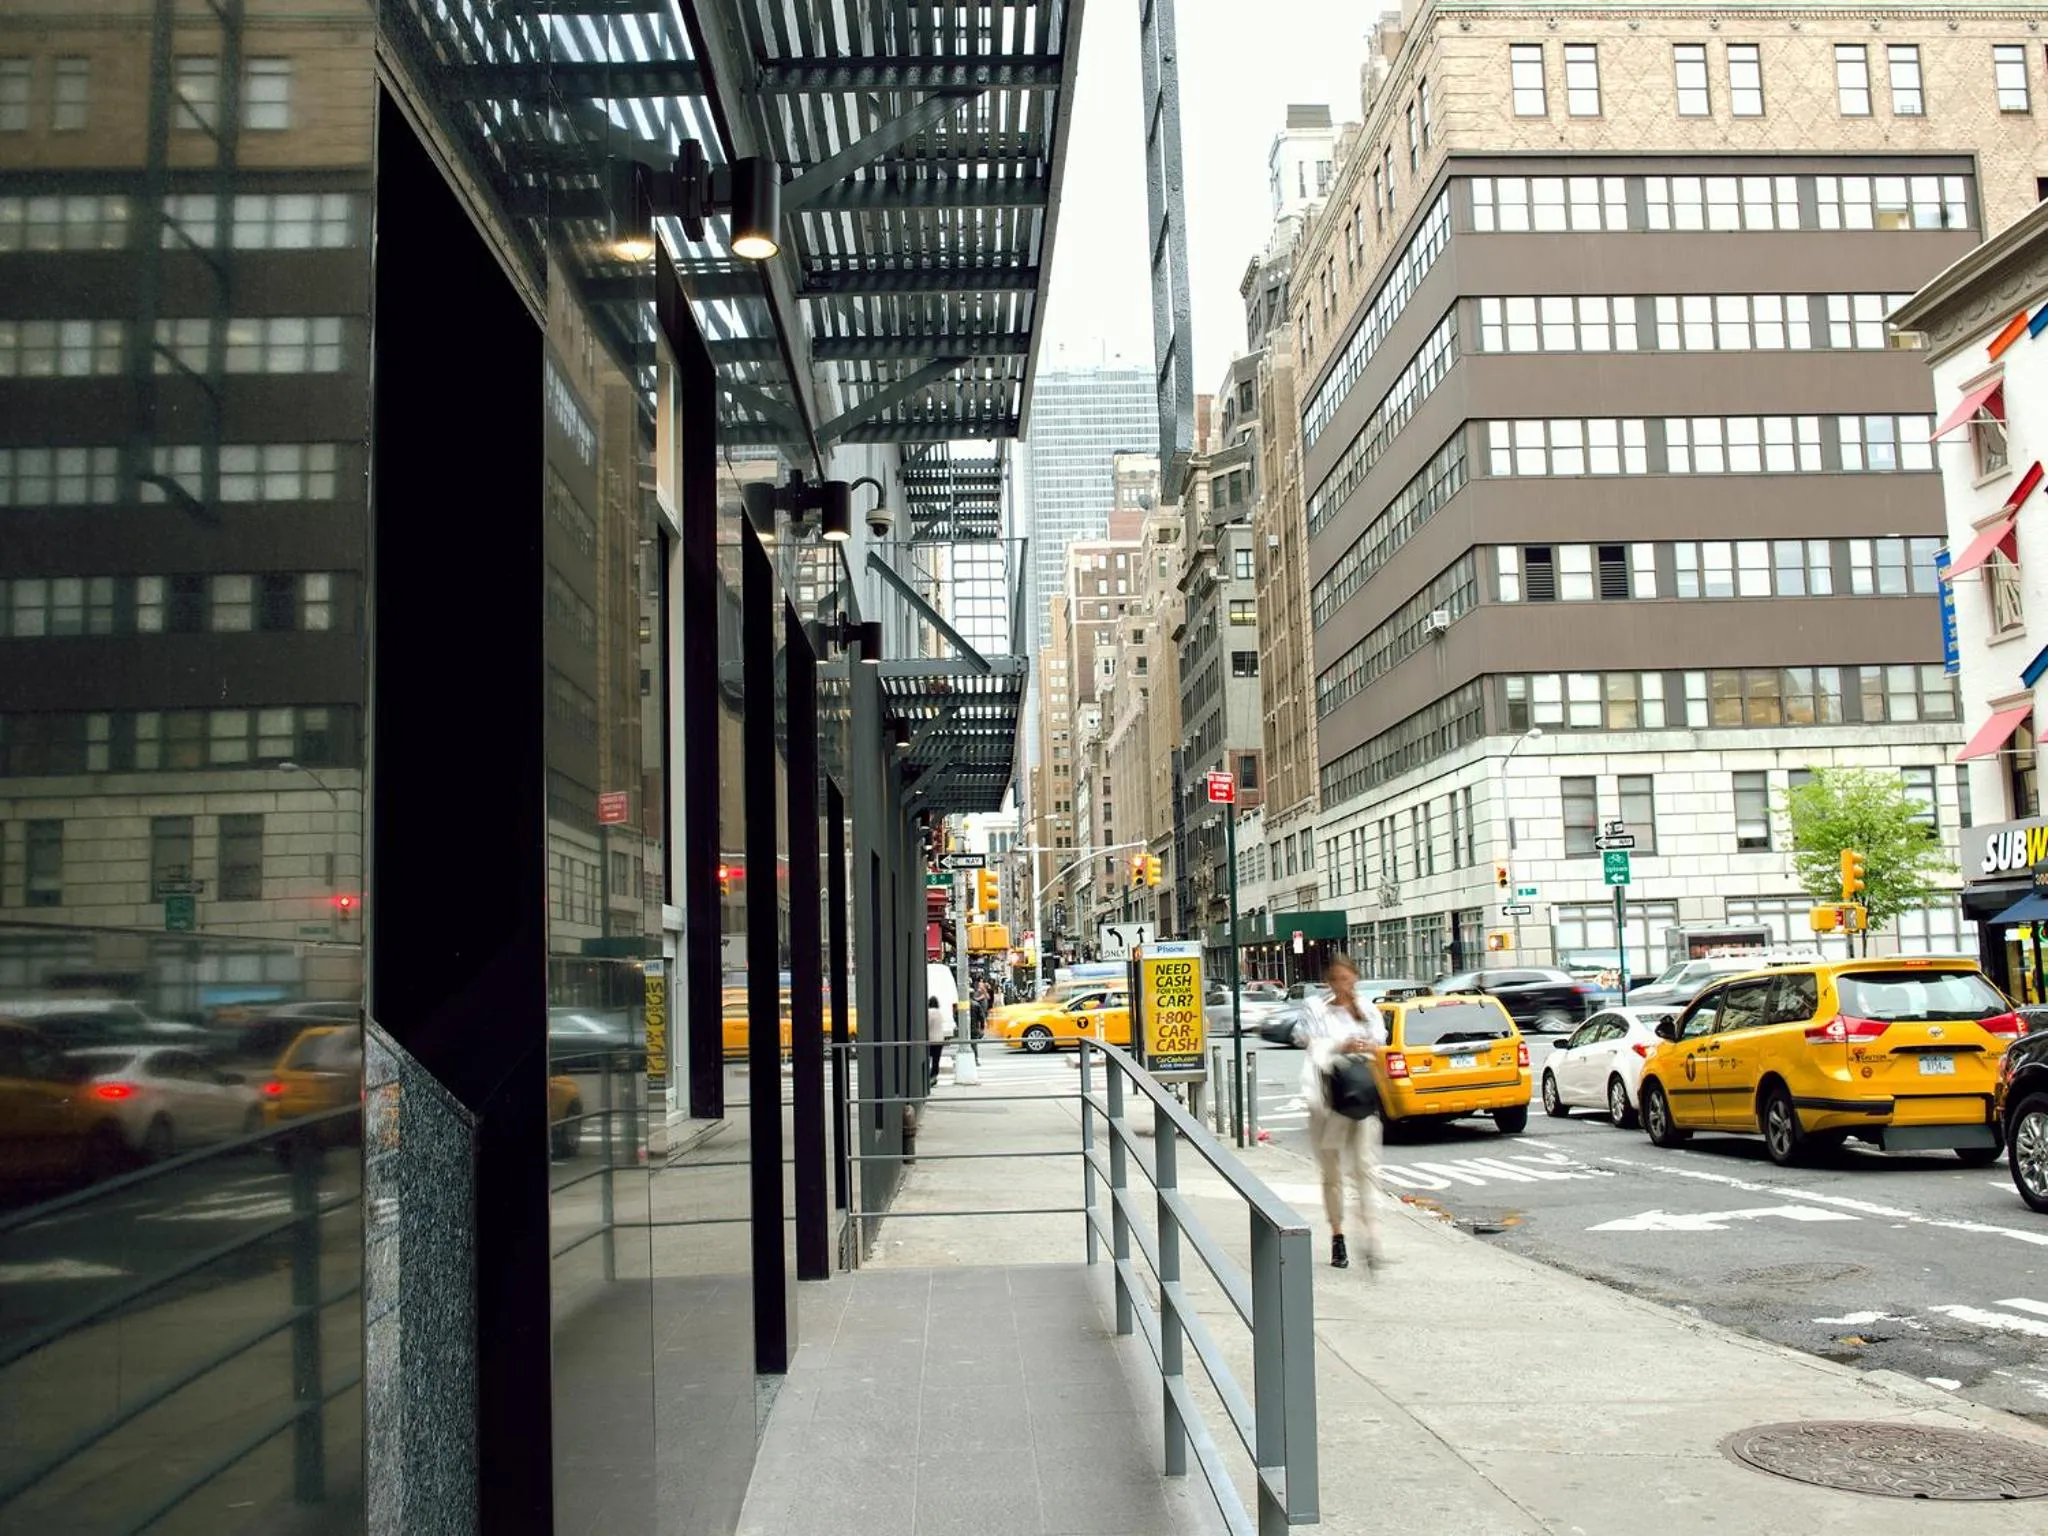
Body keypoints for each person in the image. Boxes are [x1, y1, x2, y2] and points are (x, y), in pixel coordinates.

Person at [1295, 953, 1386, 1270]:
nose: (1341, 985)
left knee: (1366, 1168)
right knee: (1332, 1172)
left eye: (1346, 979)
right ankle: (1337, 1235)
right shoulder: (1316, 1008)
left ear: (1355, 978)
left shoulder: (1368, 1011)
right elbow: (1305, 1039)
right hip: (1328, 1100)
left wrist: (1365, 1047)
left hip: (1360, 1099)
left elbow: (1380, 1044)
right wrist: (1339, 1045)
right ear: (1328, 981)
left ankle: (1371, 1234)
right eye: (1334, 979)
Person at [926, 994, 949, 1090]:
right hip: (939, 1039)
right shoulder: (940, 1013)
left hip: (930, 1039)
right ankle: (934, 1076)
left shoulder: (928, 1012)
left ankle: (928, 1076)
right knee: (936, 1059)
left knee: (928, 1058)